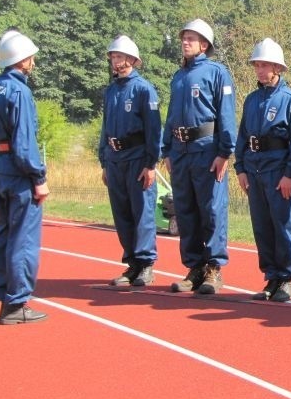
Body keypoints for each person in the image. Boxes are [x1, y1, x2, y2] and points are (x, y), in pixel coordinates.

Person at [0, 31, 50, 324]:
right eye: (31, 57)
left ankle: (4, 295)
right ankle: (16, 304)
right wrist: (38, 175)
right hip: (20, 175)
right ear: (23, 60)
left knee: (1, 236)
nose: (32, 62)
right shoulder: (19, 92)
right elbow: (24, 142)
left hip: (0, 171)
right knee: (23, 240)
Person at [162, 19, 236, 294]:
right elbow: (170, 116)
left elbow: (226, 114)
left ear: (204, 45)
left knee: (212, 210)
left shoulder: (217, 73)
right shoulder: (178, 76)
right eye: (184, 38)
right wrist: (166, 149)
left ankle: (214, 270)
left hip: (207, 150)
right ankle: (194, 267)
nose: (185, 42)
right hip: (180, 153)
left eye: (191, 38)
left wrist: (225, 151)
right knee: (186, 210)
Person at [235, 39, 291, 302]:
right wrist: (240, 168)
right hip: (254, 171)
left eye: (264, 64)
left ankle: (287, 279)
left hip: (279, 172)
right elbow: (243, 136)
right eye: (256, 64)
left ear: (277, 67)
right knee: (262, 226)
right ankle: (271, 277)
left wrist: (290, 173)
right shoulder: (252, 100)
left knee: (283, 225)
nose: (259, 69)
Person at [98, 35, 162, 287]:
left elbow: (154, 129)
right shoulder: (111, 91)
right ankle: (132, 263)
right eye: (113, 57)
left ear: (132, 60)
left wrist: (151, 164)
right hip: (114, 159)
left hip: (137, 158)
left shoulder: (144, 89)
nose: (115, 61)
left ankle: (146, 264)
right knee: (122, 213)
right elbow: (105, 128)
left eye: (120, 56)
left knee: (142, 212)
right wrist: (103, 160)